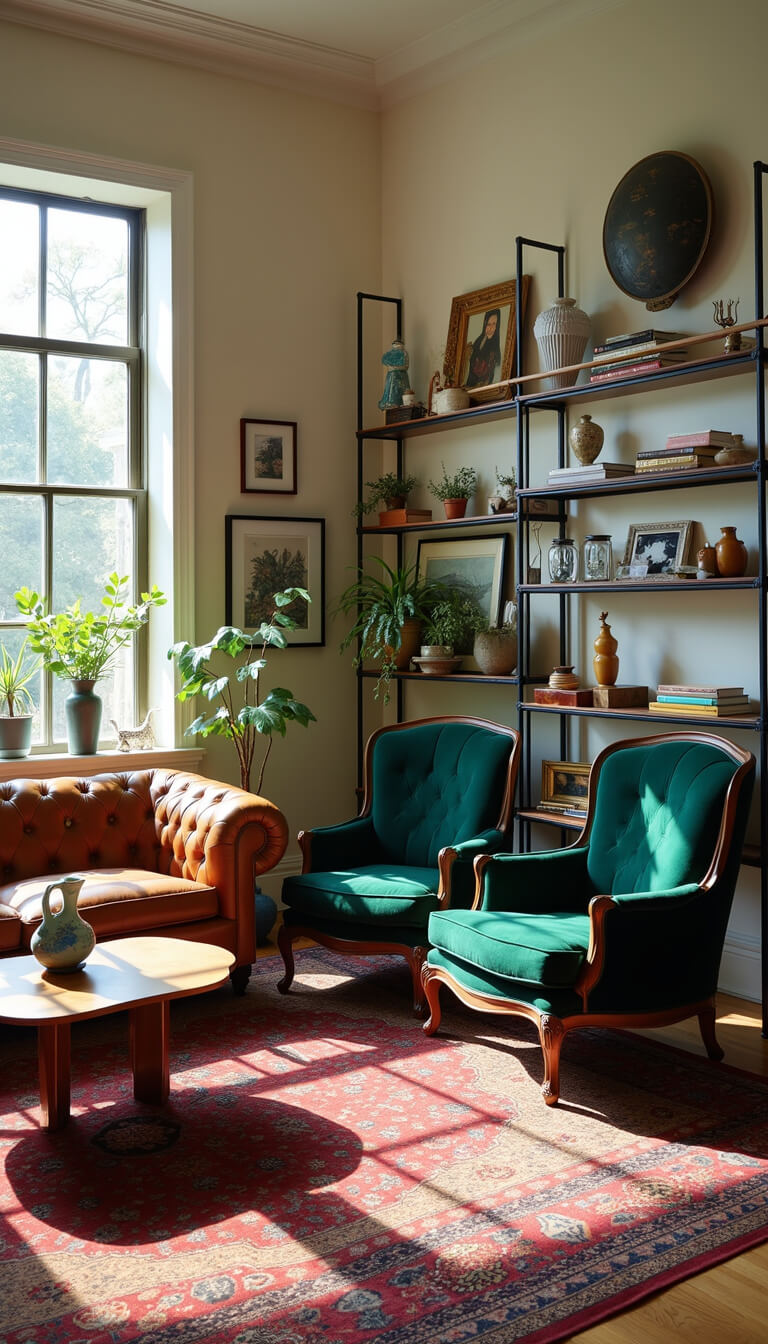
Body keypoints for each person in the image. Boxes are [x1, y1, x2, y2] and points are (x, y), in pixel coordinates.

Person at [464, 308, 502, 389]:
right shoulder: (479, 340)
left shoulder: (495, 347)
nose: (491, 328)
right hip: (470, 384)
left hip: (483, 387)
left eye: (494, 324)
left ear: (497, 326)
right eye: (488, 324)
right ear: (485, 324)